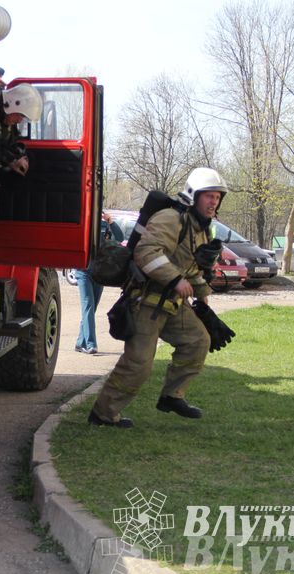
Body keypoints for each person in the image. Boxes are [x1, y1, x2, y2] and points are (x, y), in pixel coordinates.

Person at [88, 168, 227, 428]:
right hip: (146, 303)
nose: (213, 202)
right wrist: (175, 280)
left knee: (198, 341)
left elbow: (192, 269)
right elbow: (146, 252)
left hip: (173, 305)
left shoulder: (200, 230)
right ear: (193, 195)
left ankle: (172, 396)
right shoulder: (170, 219)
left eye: (217, 198)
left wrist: (203, 296)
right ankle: (103, 414)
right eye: (209, 196)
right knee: (138, 364)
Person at [0, 83, 43, 232]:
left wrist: (19, 156)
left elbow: (8, 144)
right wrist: (11, 161)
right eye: (20, 115)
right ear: (12, 105)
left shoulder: (7, 122)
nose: (20, 121)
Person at [75, 212, 124, 354]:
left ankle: (80, 342)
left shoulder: (103, 225)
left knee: (91, 308)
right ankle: (90, 344)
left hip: (99, 272)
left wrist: (111, 222)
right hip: (83, 271)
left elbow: (120, 238)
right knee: (88, 306)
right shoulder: (81, 223)